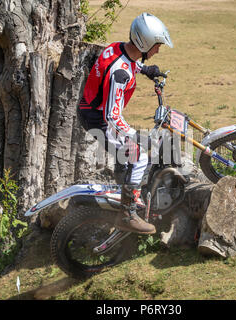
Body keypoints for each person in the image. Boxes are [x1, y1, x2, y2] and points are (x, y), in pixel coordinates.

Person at [78, 13, 173, 234]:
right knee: (138, 154)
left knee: (130, 150)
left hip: (93, 111)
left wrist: (145, 69)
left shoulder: (119, 47)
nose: (158, 50)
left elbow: (127, 59)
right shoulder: (119, 75)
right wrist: (134, 135)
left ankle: (123, 176)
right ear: (145, 43)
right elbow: (112, 116)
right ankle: (127, 214)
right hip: (99, 120)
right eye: (156, 45)